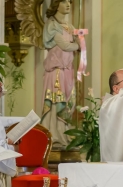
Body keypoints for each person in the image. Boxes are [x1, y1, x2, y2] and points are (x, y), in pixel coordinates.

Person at [41, 0, 80, 148]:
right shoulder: (52, 25)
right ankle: (54, 136)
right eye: (64, 2)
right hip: (56, 71)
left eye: (70, 2)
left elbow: (75, 41)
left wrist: (79, 42)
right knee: (57, 101)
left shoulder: (69, 26)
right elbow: (64, 45)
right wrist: (78, 46)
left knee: (69, 102)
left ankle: (64, 133)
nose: (68, 4)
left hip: (67, 70)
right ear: (56, 5)